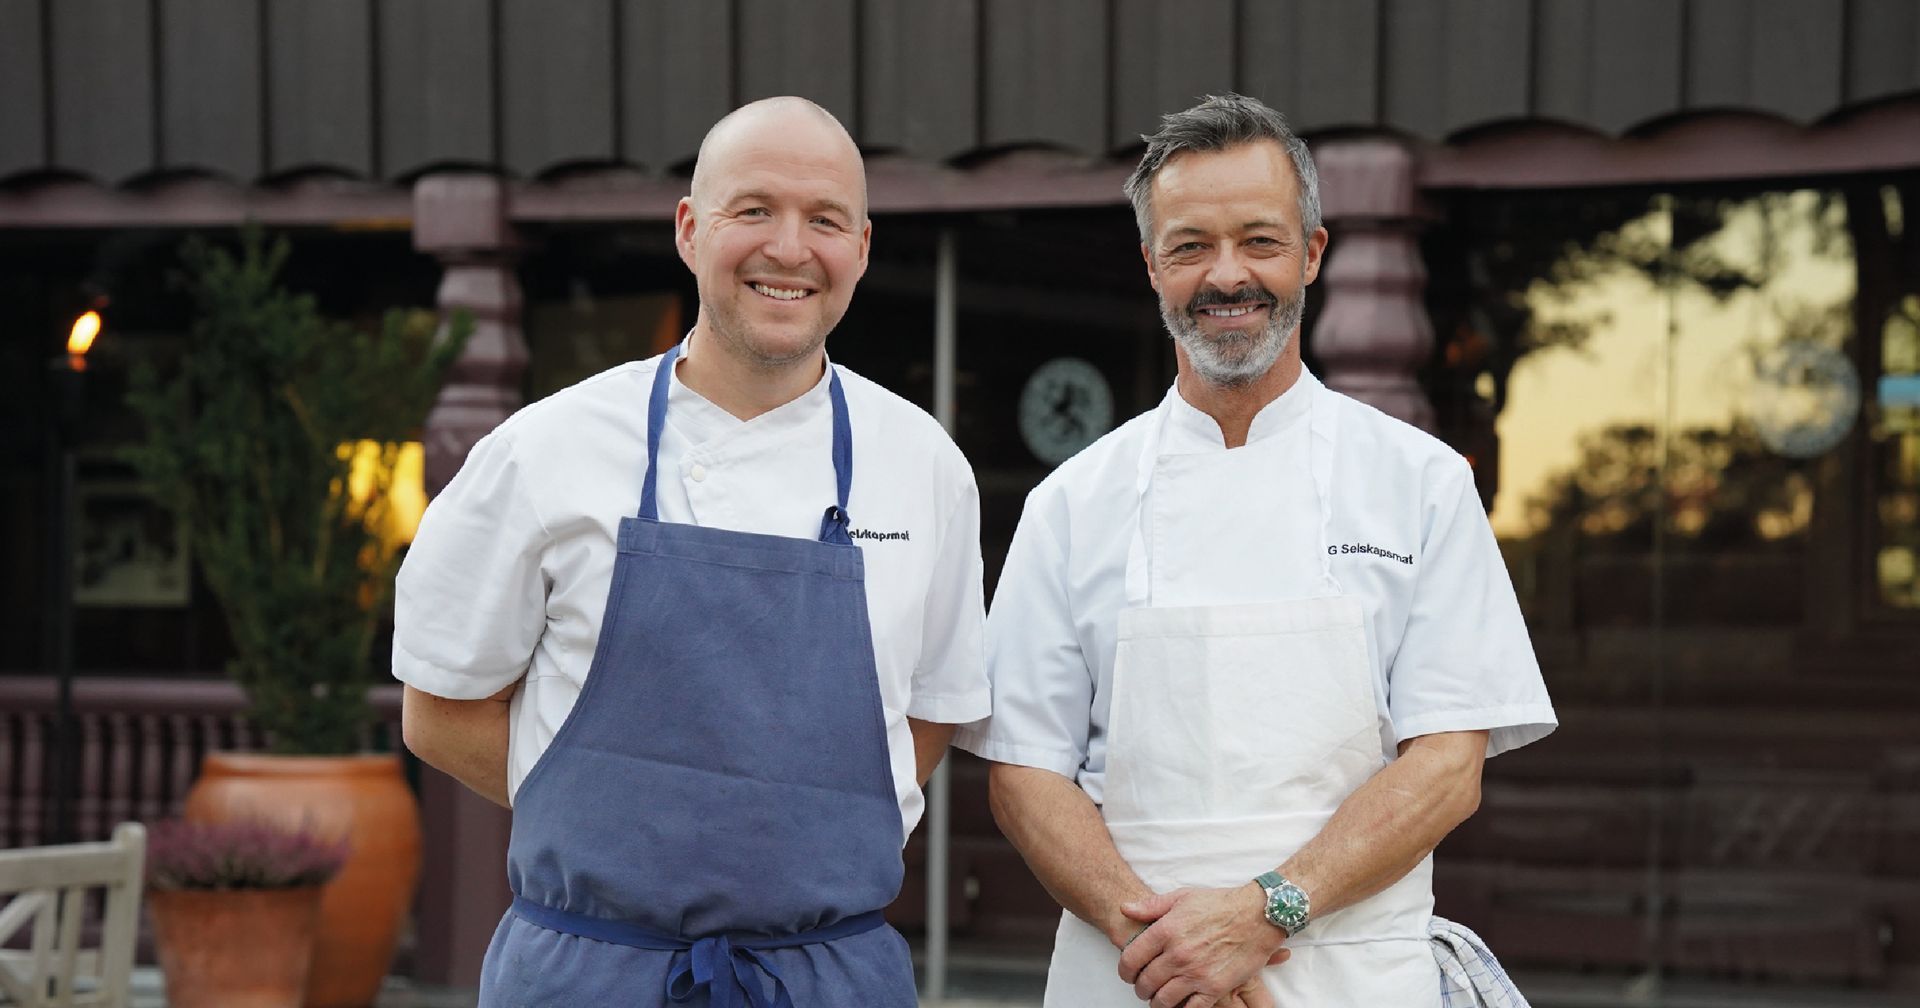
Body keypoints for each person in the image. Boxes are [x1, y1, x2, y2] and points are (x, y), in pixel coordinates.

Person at [955, 93, 1556, 1008]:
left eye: (1260, 241)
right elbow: (1024, 774)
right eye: (1191, 245)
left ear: (1312, 253)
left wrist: (1264, 914)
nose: (1226, 275)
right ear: (1152, 263)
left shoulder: (1422, 483)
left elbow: (1446, 767)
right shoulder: (1070, 504)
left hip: (1352, 977)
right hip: (1131, 978)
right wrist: (1173, 952)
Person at [393, 96, 989, 1007]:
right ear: (689, 229)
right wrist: (614, 818)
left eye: (824, 219)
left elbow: (934, 712)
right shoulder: (543, 449)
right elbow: (437, 709)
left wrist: (784, 835)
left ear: (861, 248)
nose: (789, 249)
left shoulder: (925, 468)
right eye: (753, 209)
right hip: (590, 971)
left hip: (828, 976)